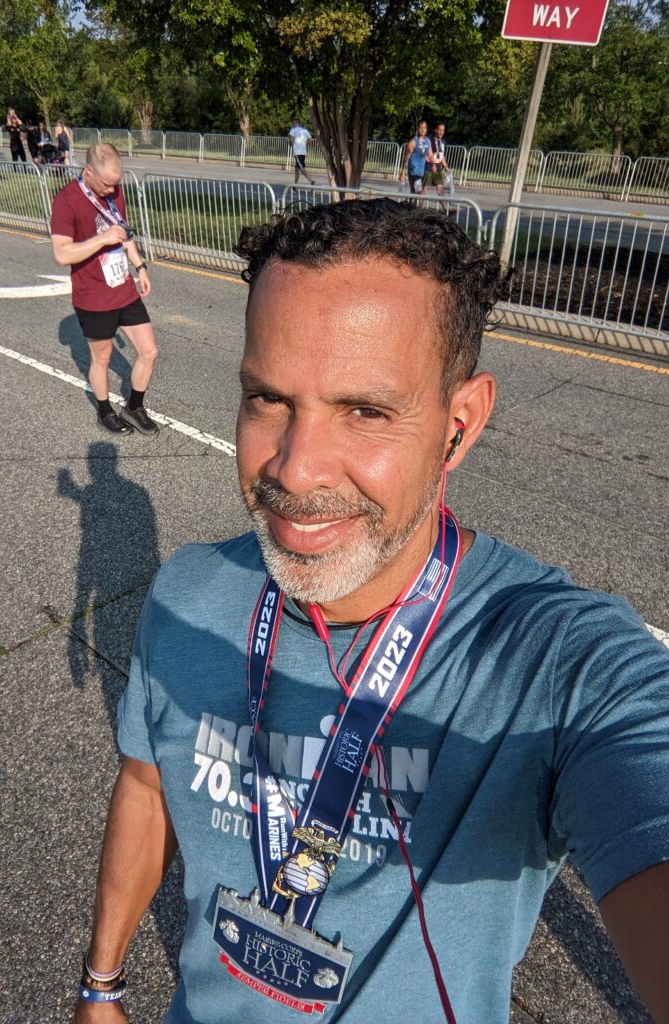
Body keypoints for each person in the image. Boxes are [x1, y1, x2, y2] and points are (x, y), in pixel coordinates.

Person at [72, 200, 669, 1023]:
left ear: (459, 426)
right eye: (267, 400)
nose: (297, 467)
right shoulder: (187, 594)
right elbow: (145, 784)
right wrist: (101, 984)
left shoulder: (552, 658)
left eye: (366, 411)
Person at [51, 142, 159, 436]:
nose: (113, 191)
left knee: (148, 351)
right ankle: (105, 411)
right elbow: (62, 254)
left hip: (122, 288)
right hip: (93, 295)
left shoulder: (115, 191)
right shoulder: (66, 201)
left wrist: (140, 267)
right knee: (102, 357)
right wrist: (101, 239)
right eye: (107, 185)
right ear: (88, 171)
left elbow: (123, 233)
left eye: (117, 184)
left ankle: (134, 407)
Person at [399, 118, 430, 195]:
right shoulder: (413, 142)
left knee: (415, 193)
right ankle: (412, 206)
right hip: (414, 171)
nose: (423, 130)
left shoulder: (427, 141)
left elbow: (429, 155)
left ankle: (408, 206)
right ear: (417, 129)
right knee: (418, 192)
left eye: (424, 128)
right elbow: (406, 157)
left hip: (422, 171)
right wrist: (403, 171)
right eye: (421, 127)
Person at [423, 120, 449, 196]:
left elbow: (441, 155)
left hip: (438, 169)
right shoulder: (429, 140)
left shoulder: (443, 142)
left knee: (440, 190)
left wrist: (446, 166)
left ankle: (444, 208)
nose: (441, 132)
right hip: (429, 168)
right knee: (424, 190)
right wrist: (432, 164)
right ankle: (416, 206)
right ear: (436, 130)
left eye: (443, 130)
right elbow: (427, 154)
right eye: (440, 130)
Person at [288, 117, 315, 186]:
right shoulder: (305, 131)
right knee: (297, 169)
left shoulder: (293, 130)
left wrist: (290, 142)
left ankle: (311, 181)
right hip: (303, 152)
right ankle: (295, 185)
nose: (293, 125)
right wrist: (305, 144)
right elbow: (311, 140)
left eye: (294, 123)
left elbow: (291, 139)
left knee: (302, 168)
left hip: (297, 152)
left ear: (297, 123)